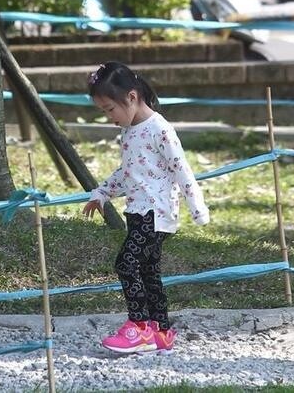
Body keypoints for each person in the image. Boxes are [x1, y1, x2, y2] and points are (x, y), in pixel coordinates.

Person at [82, 61, 209, 354]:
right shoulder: (129, 131)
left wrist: (197, 207)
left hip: (155, 213)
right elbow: (128, 172)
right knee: (149, 271)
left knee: (126, 263)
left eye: (109, 109)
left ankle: (139, 327)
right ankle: (161, 332)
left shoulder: (159, 129)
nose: (109, 117)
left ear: (131, 97)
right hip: (137, 212)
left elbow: (182, 169)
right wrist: (101, 193)